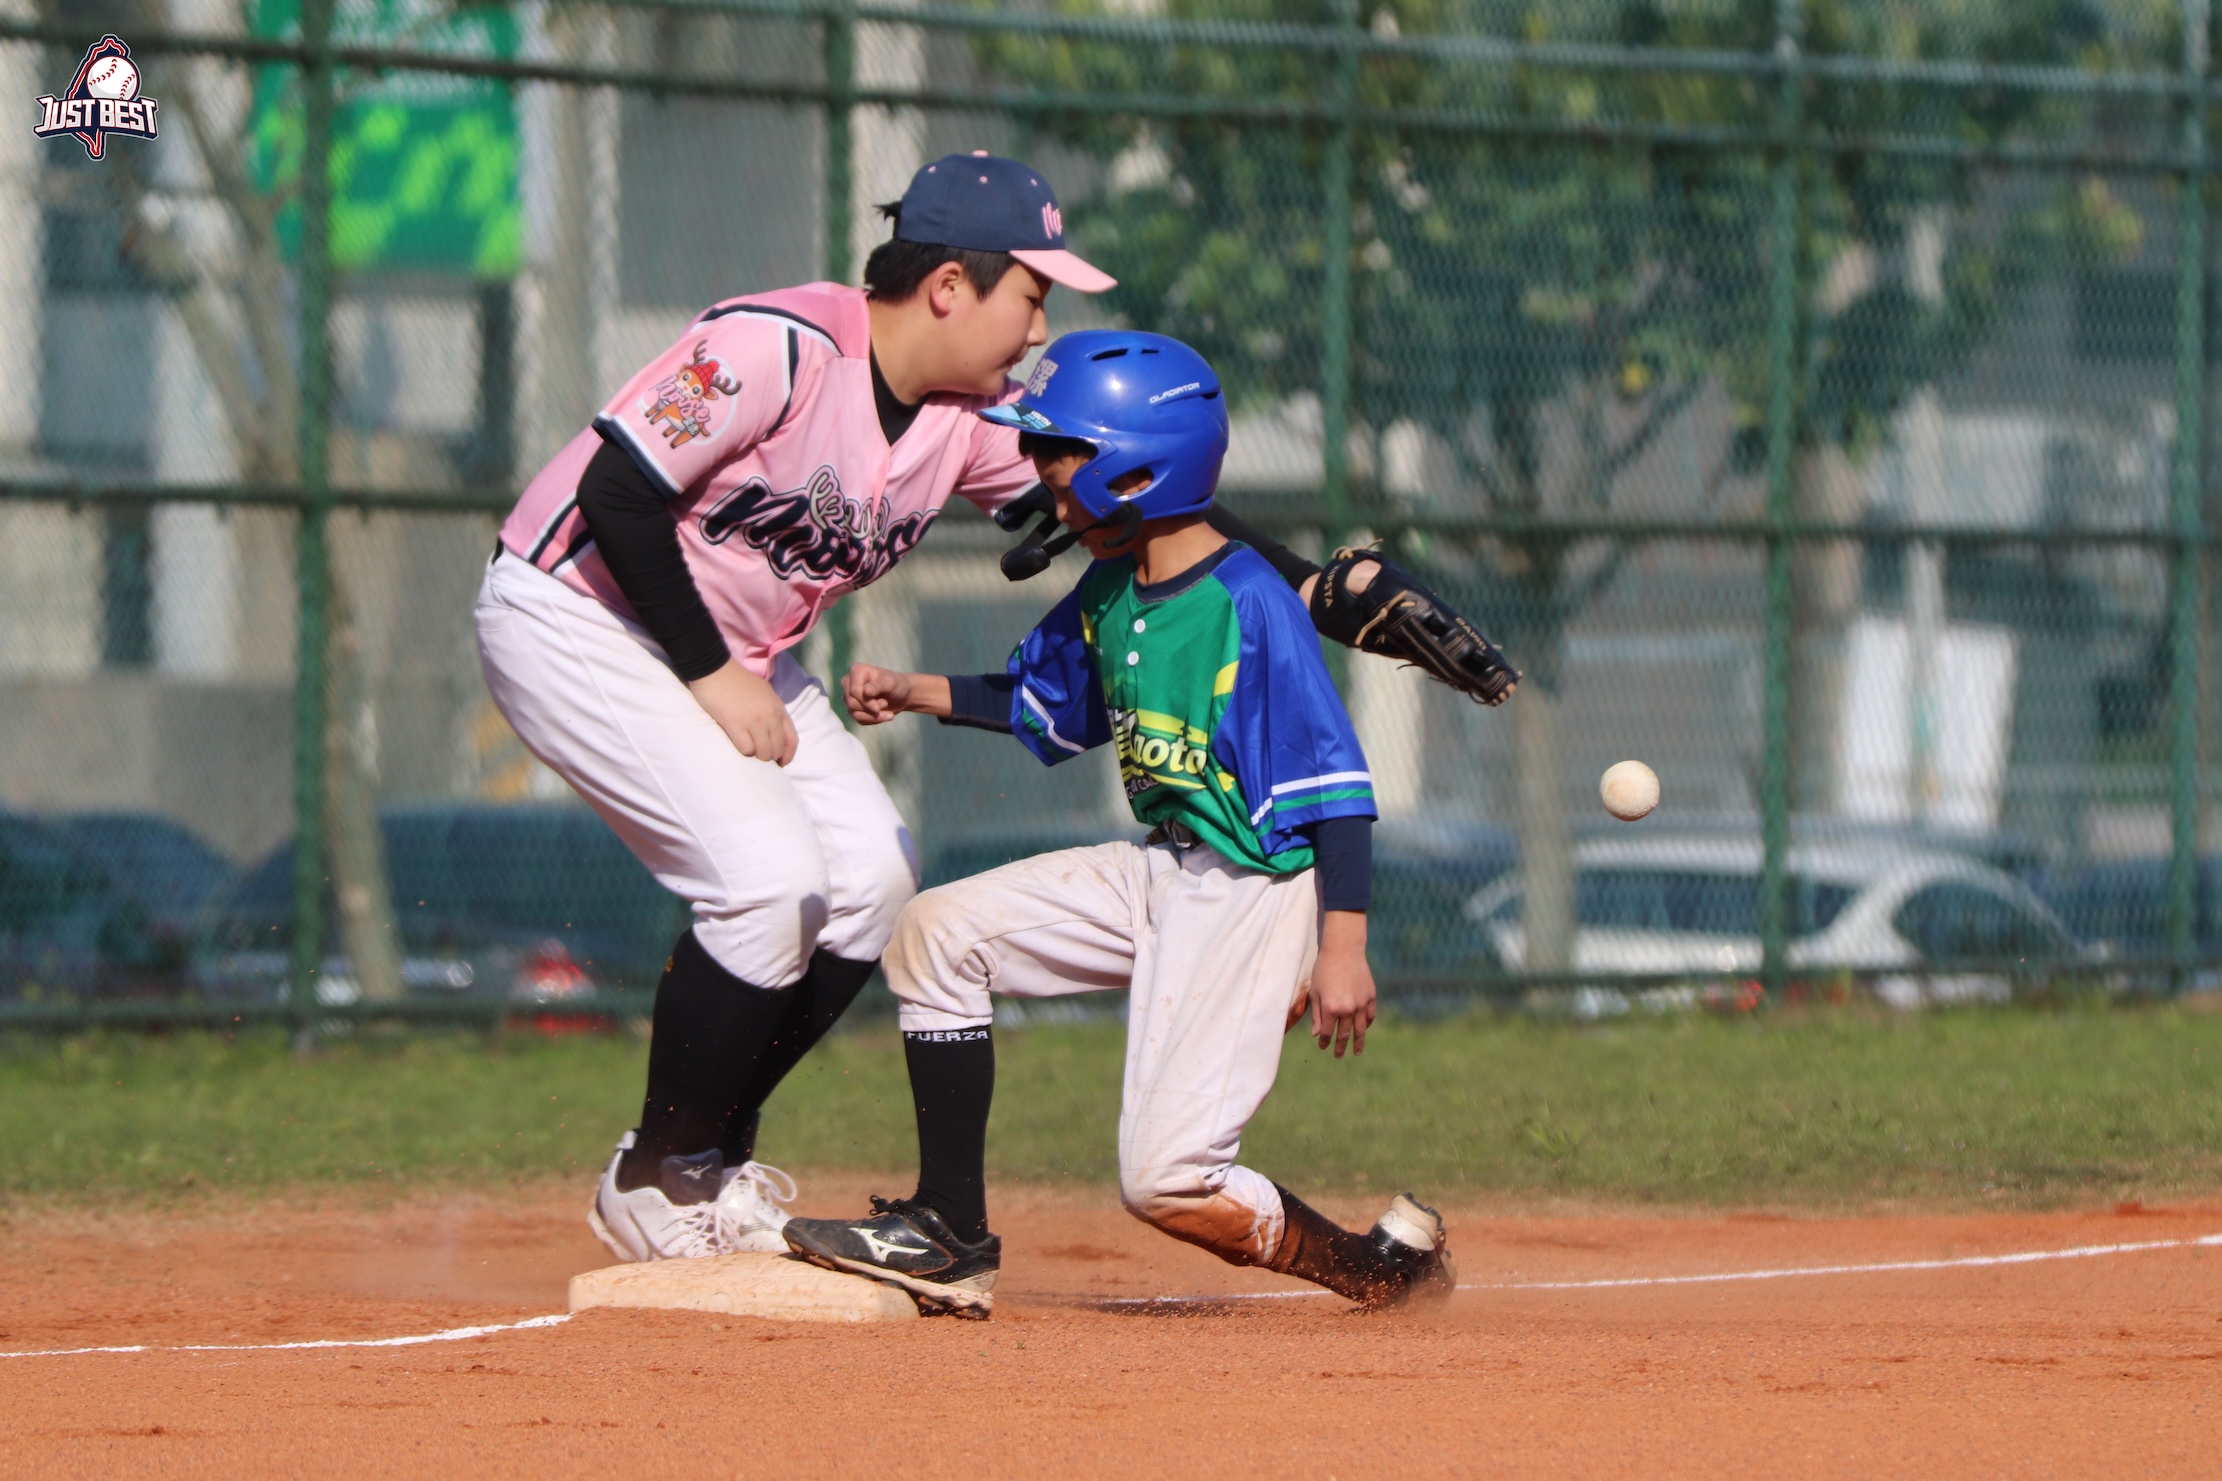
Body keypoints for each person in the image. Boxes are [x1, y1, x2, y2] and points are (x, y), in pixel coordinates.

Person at [476, 153, 1516, 1264]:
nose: (1037, 327)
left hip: (734, 648)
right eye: (1030, 292)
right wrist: (710, 674)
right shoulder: (771, 348)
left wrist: (1311, 585)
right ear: (947, 288)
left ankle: (704, 1160)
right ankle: (659, 1177)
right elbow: (617, 491)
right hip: (579, 612)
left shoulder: (968, 421)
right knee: (765, 877)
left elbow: (1145, 492)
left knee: (874, 881)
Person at [782, 331, 1456, 1316]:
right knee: (936, 934)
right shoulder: (1113, 586)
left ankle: (1369, 1271)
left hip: (1254, 891)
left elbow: (1333, 786)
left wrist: (1340, 946)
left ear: (1140, 470)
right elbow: (1053, 700)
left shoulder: (1247, 602)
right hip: (1162, 870)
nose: (1045, 486)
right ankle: (947, 1234)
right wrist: (915, 688)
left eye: (1063, 461)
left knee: (1165, 1181)